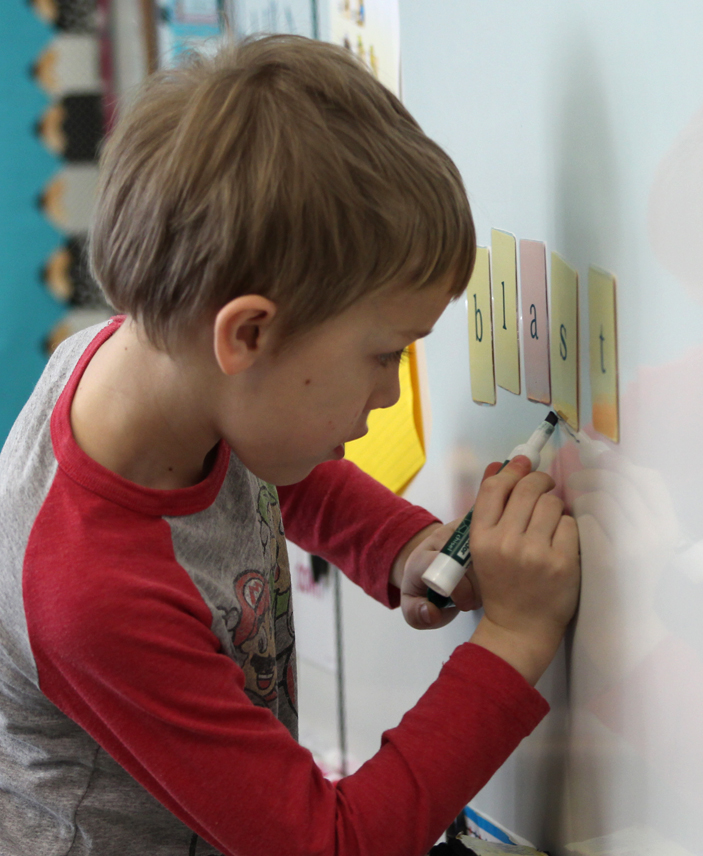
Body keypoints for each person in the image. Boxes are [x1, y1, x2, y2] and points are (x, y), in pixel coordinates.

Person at [0, 34, 580, 856]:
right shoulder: (92, 591)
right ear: (249, 334)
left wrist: (405, 548)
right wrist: (515, 638)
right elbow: (329, 845)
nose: (389, 391)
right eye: (385, 354)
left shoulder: (162, 375)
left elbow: (273, 464)